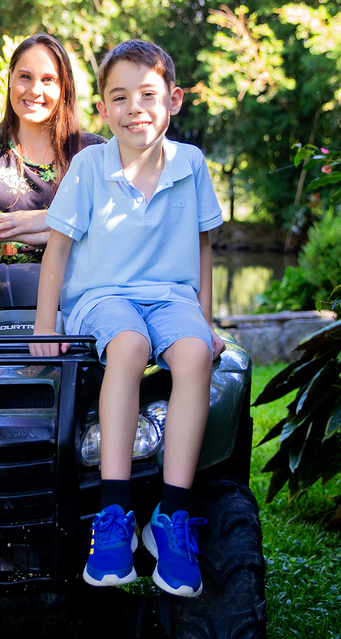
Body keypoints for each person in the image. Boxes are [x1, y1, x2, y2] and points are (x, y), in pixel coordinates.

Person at [29, 39, 224, 598]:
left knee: (193, 355)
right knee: (131, 347)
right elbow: (59, 250)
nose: (135, 107)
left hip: (172, 296)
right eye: (119, 97)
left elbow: (203, 247)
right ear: (103, 109)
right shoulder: (90, 166)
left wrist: (204, 320)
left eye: (148, 94)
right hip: (103, 294)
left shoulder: (191, 164)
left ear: (174, 99)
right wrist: (47, 325)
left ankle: (173, 514)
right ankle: (113, 512)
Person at [0, 35, 104, 315]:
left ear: (64, 87)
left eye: (48, 80)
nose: (35, 90)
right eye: (25, 76)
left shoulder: (94, 152)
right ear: (10, 78)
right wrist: (11, 228)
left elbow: (116, 220)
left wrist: (49, 222)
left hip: (82, 302)